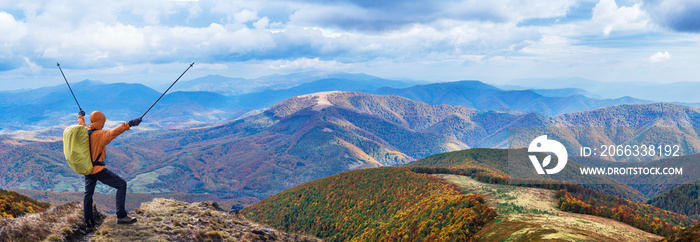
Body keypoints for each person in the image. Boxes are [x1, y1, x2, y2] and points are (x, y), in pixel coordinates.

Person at [78, 110, 142, 230]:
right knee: (121, 184)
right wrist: (130, 123)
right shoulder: (101, 135)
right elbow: (115, 131)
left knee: (88, 195)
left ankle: (89, 224)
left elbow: (81, 123)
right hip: (98, 169)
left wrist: (80, 115)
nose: (103, 123)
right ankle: (121, 216)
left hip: (87, 168)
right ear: (100, 121)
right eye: (103, 121)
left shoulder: (84, 131)